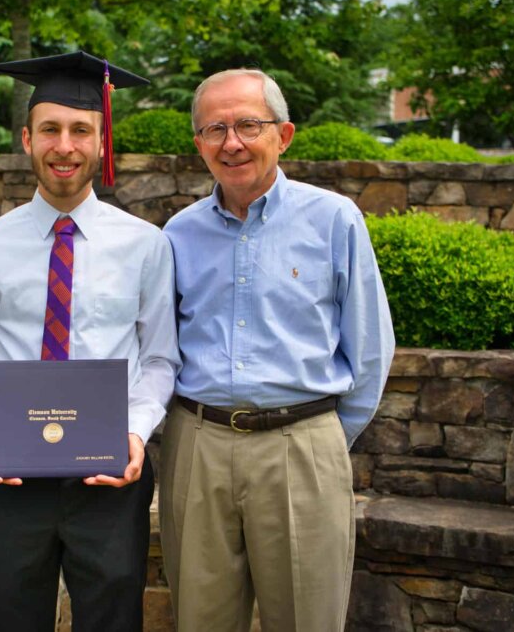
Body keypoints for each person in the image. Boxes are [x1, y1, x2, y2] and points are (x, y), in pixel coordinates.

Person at [159, 69, 396, 632]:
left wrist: (326, 440)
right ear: (198, 145)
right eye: (214, 129)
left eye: (248, 124)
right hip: (198, 445)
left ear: (283, 134)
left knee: (307, 621)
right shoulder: (177, 234)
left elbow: (370, 347)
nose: (231, 142)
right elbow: (160, 348)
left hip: (302, 447)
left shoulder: (334, 220)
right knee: (200, 620)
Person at [0, 51, 180, 632]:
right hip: (12, 479)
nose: (66, 145)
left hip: (108, 477)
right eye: (52, 130)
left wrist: (135, 433)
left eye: (81, 130)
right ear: (27, 138)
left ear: (102, 143)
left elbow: (160, 357)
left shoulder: (146, 246)